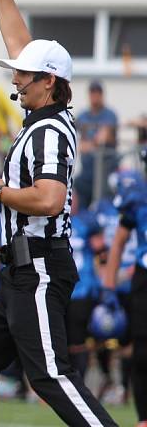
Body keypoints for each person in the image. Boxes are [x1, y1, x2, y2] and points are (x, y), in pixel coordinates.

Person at [0, 0, 116, 426]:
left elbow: (48, 199)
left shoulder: (48, 131)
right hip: (21, 271)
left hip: (40, 268)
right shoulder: (44, 114)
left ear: (49, 82)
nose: (16, 79)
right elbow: (20, 43)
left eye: (25, 75)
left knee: (49, 376)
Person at [102, 156, 147, 427]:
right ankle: (144, 417)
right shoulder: (138, 196)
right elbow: (118, 244)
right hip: (144, 277)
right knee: (142, 351)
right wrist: (108, 287)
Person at [66, 193, 105, 380]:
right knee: (58, 338)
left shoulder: (84, 222)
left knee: (77, 340)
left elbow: (101, 250)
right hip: (57, 289)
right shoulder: (53, 223)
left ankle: (78, 378)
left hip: (81, 290)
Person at [76, 81, 119, 208]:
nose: (95, 96)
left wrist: (89, 145)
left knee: (105, 209)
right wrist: (90, 144)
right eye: (92, 93)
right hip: (87, 173)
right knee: (77, 195)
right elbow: (77, 142)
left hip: (106, 173)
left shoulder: (109, 114)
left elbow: (104, 137)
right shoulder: (83, 115)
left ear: (102, 95)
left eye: (97, 93)